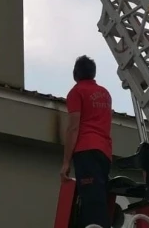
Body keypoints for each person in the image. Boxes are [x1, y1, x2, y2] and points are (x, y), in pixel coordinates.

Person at [61, 55, 113, 228]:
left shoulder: (77, 92)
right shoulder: (105, 94)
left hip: (86, 150)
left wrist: (66, 162)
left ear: (75, 73)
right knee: (99, 198)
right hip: (104, 153)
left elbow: (73, 128)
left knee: (91, 202)